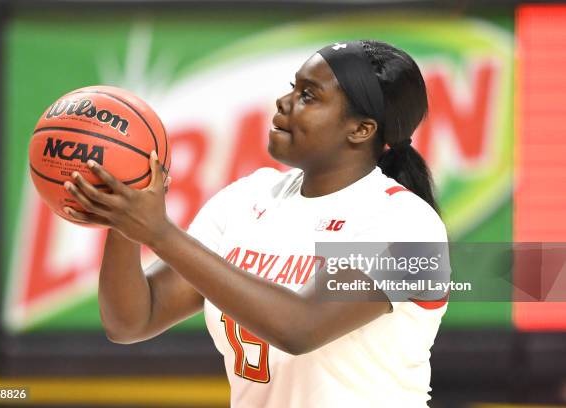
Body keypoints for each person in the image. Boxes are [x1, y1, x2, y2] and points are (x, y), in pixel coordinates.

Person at [62, 40, 449, 407]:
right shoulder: (247, 199)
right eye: (292, 88)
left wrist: (159, 234)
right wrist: (123, 212)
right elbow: (132, 320)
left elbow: (300, 328)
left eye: (309, 96)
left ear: (361, 129)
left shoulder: (407, 224)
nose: (284, 102)